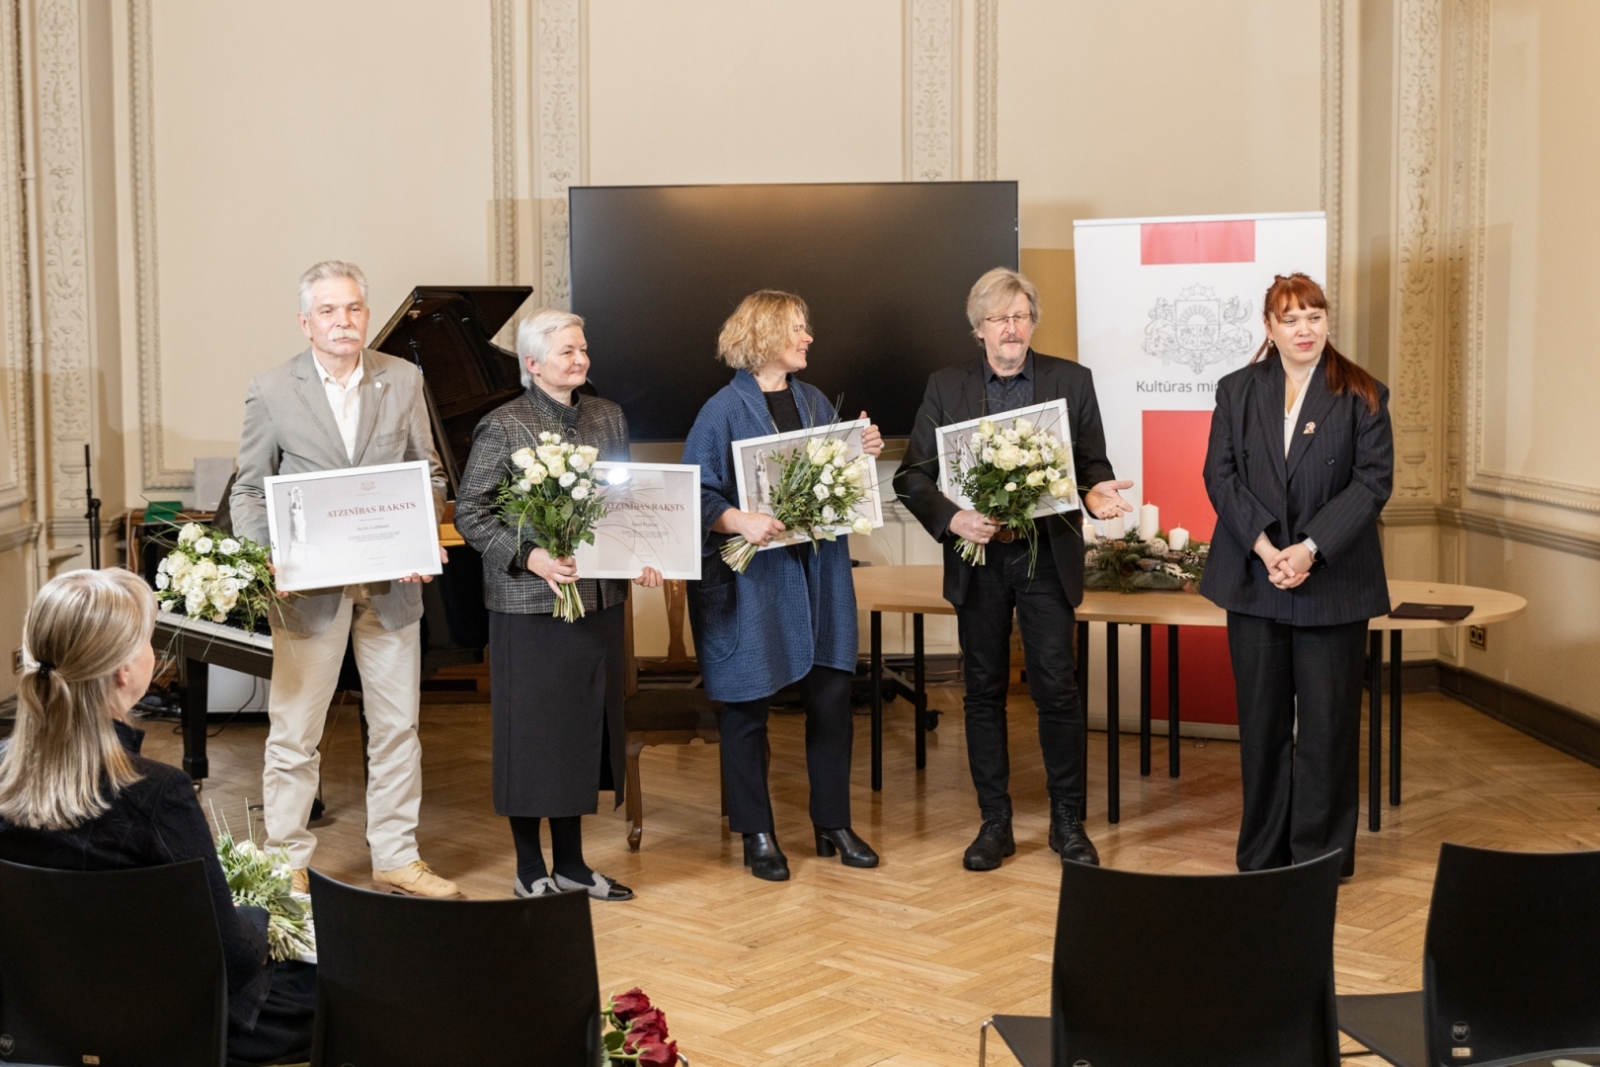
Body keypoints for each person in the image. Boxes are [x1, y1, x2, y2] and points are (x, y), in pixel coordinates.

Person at [0, 569, 317, 1066]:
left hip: (34, 1016)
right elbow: (229, 960)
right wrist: (258, 917)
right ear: (126, 669)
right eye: (148, 640)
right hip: (159, 1023)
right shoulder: (156, 792)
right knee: (339, 981)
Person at [231, 260, 459, 899]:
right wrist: (266, 556)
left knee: (397, 730)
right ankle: (285, 864)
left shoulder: (404, 378)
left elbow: (430, 474)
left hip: (391, 588)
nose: (343, 321)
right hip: (308, 593)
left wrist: (423, 533)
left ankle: (396, 857)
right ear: (306, 323)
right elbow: (249, 490)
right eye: (328, 311)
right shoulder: (273, 388)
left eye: (353, 308)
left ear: (365, 313)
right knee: (295, 734)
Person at [894, 268, 1133, 872]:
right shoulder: (945, 386)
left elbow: (1091, 461)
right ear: (978, 330)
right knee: (983, 692)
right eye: (999, 319)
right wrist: (953, 519)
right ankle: (994, 824)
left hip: (1046, 555)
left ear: (1032, 323)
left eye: (1021, 316)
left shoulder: (1070, 380)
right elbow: (910, 476)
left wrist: (1096, 491)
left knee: (1057, 687)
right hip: (979, 561)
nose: (1011, 329)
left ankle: (1067, 822)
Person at [454, 309, 661, 901]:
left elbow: (624, 503)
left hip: (596, 599)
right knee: (532, 738)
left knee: (579, 735)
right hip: (527, 604)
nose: (580, 360)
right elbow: (472, 513)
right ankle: (528, 868)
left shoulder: (607, 416)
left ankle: (571, 865)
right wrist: (532, 556)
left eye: (584, 349)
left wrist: (643, 553)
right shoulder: (504, 425)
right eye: (568, 351)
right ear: (532, 363)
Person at [683, 290, 881, 881]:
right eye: (799, 328)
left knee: (831, 697)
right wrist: (738, 519)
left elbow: (838, 483)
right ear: (767, 335)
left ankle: (833, 824)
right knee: (746, 706)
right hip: (753, 581)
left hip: (819, 573)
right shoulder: (719, 411)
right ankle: (757, 832)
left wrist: (862, 451)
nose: (809, 337)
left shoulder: (816, 400)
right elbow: (695, 493)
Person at [1200, 272, 1393, 879]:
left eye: (1314, 315)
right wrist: (1264, 547)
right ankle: (1261, 857)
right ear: (1269, 328)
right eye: (1291, 318)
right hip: (1254, 580)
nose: (1304, 328)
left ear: (1327, 322)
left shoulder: (1362, 393)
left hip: (1332, 582)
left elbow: (1372, 484)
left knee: (1329, 729)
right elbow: (1220, 475)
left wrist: (1309, 549)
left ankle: (1319, 861)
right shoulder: (1237, 390)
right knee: (1261, 727)